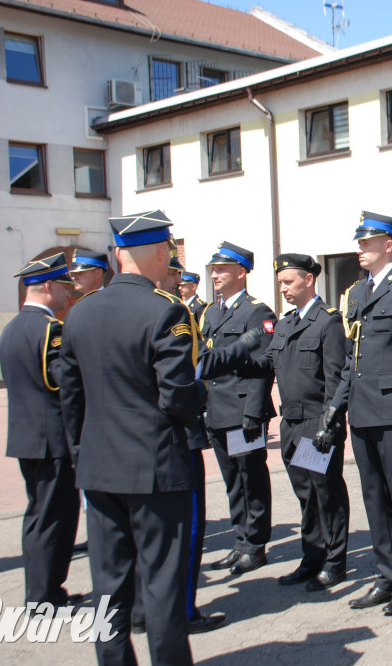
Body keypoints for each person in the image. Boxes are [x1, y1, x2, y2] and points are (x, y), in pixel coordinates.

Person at [60, 210, 206, 666]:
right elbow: (179, 395)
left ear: (118, 254)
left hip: (99, 468)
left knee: (108, 583)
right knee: (161, 584)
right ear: (162, 253)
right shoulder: (166, 310)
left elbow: (71, 396)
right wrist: (202, 391)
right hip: (156, 468)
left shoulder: (80, 312)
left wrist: (83, 452)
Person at [318, 211, 392, 615]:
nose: (360, 249)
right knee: (374, 498)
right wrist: (337, 403)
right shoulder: (358, 293)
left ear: (389, 245)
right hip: (364, 411)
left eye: (367, 243)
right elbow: (354, 356)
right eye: (359, 243)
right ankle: (386, 575)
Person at [130, 260, 228, 635]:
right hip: (172, 439)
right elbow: (185, 381)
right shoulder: (172, 313)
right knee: (182, 534)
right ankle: (182, 612)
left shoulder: (96, 308)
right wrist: (200, 397)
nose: (179, 281)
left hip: (127, 445)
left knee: (140, 536)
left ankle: (140, 611)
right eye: (174, 274)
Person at [253, 254, 351, 591]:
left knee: (326, 494)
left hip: (316, 424)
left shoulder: (327, 322)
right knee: (305, 496)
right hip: (291, 424)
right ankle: (312, 559)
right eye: (281, 283)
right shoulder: (285, 324)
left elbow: (337, 379)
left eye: (288, 282)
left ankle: (335, 562)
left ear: (308, 280)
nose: (283, 289)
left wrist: (329, 424)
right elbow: (265, 364)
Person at [0, 255, 81, 609]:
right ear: (48, 287)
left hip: (26, 437)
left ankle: (41, 592)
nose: (67, 294)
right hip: (52, 440)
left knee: (37, 517)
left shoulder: (12, 327)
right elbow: (60, 382)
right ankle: (45, 596)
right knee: (55, 518)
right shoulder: (50, 330)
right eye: (64, 287)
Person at [201, 241, 277, 575]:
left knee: (251, 477)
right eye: (213, 269)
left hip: (242, 411)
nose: (214, 274)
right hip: (217, 410)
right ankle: (240, 539)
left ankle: (256, 545)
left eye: (221, 269)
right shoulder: (211, 312)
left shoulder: (256, 312)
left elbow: (264, 366)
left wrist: (253, 412)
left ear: (240, 272)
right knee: (232, 480)